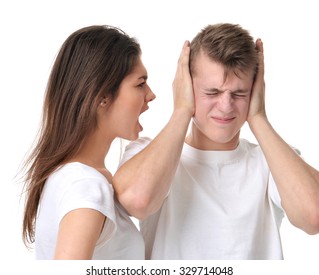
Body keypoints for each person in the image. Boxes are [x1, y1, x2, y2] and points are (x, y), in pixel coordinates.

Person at [113, 23, 319, 259]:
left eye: (239, 93)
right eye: (212, 92)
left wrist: (259, 118)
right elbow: (137, 201)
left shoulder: (271, 160)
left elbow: (313, 217)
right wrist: (181, 110)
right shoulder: (146, 151)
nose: (226, 106)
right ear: (186, 86)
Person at [21, 25, 159, 259]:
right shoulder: (85, 186)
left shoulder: (72, 178)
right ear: (102, 97)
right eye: (139, 84)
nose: (151, 94)